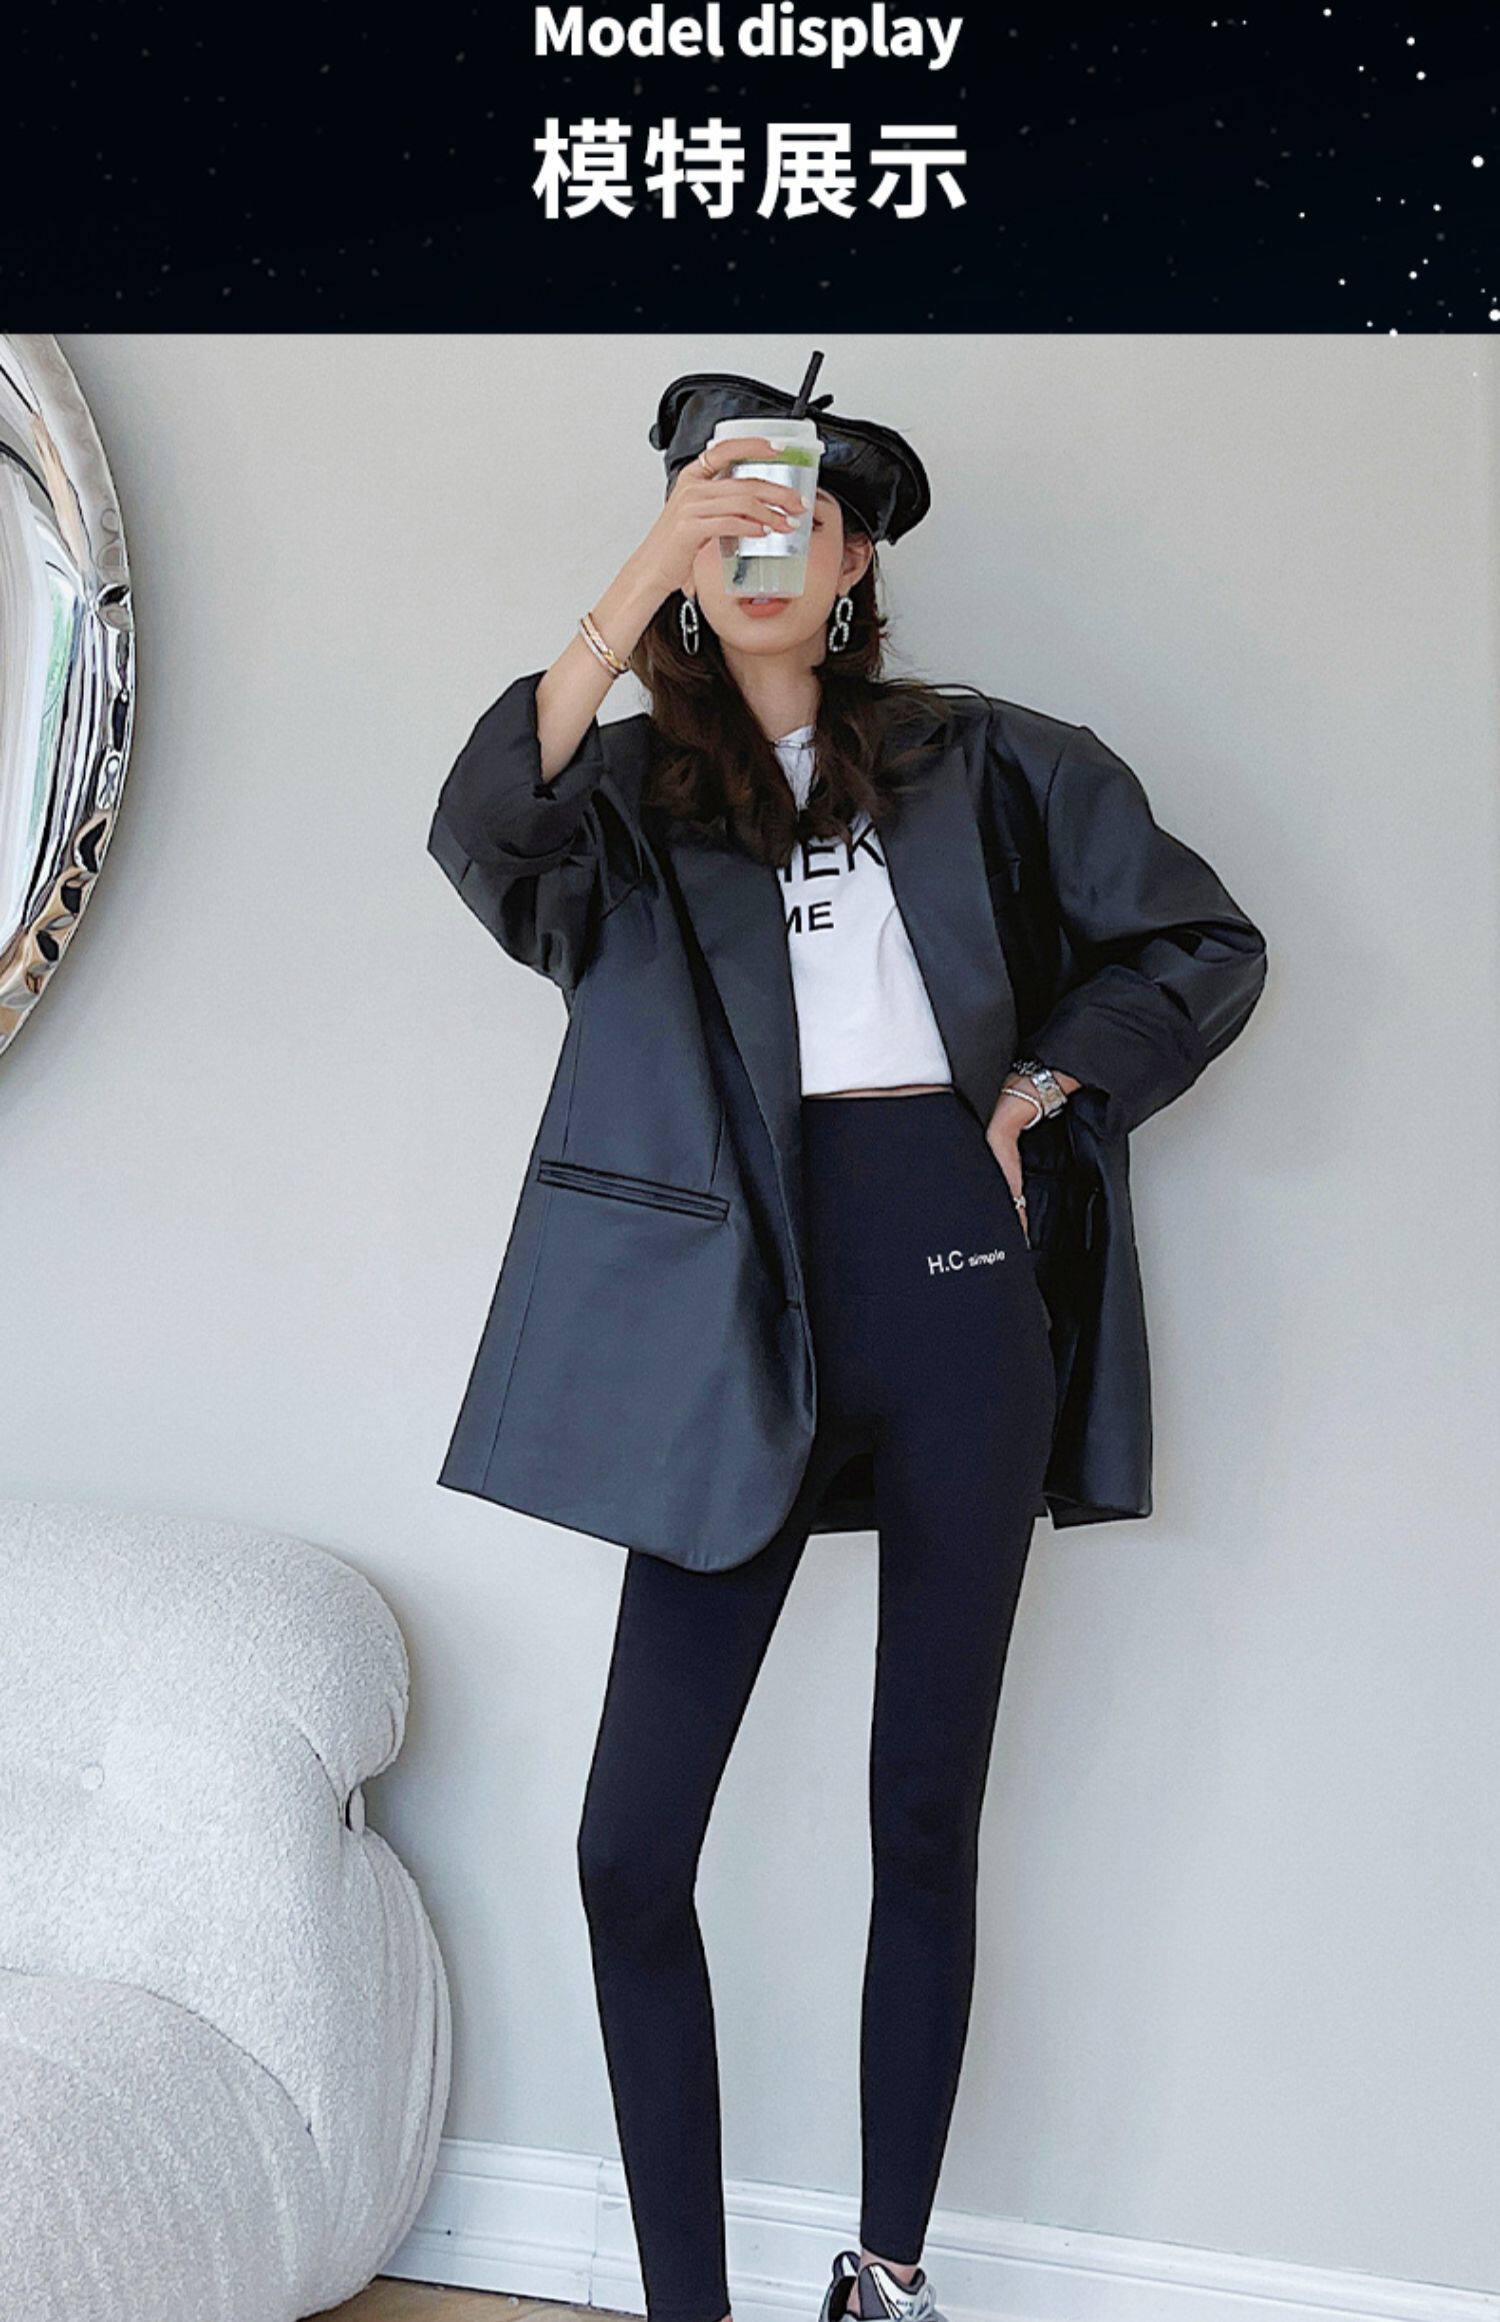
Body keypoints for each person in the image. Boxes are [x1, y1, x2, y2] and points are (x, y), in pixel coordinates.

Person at [427, 355, 1268, 2322]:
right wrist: (645, 562)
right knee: (630, 1850)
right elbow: (486, 824)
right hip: (737, 1315)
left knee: (923, 1813)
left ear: (861, 555)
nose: (763, 543)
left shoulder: (998, 761)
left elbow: (1204, 941)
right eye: (722, 515)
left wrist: (1045, 1087)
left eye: (797, 512)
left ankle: (888, 2272)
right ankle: (688, 2303)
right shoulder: (626, 800)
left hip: (959, 1297)